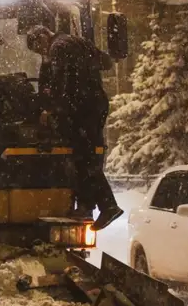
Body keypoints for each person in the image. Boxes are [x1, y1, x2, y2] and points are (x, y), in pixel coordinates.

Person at [27, 25, 123, 231]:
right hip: (96, 104)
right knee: (85, 156)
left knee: (83, 159)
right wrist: (85, 70)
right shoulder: (77, 41)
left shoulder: (58, 48)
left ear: (44, 36)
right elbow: (106, 62)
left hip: (84, 108)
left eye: (39, 48)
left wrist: (50, 109)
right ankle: (87, 206)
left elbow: (62, 83)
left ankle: (108, 205)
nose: (43, 53)